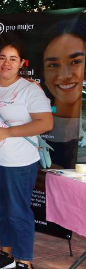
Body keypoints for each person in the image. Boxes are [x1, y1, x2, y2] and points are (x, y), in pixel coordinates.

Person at [0, 43, 53, 269]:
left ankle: (25, 264)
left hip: (20, 163)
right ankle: (7, 253)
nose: (6, 63)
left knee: (18, 211)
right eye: (2, 58)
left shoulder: (30, 89)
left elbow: (45, 123)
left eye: (12, 59)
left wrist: (8, 132)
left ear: (22, 63)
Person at [39, 19, 86, 168]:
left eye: (76, 61)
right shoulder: (35, 123)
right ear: (43, 73)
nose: (65, 75)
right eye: (53, 65)